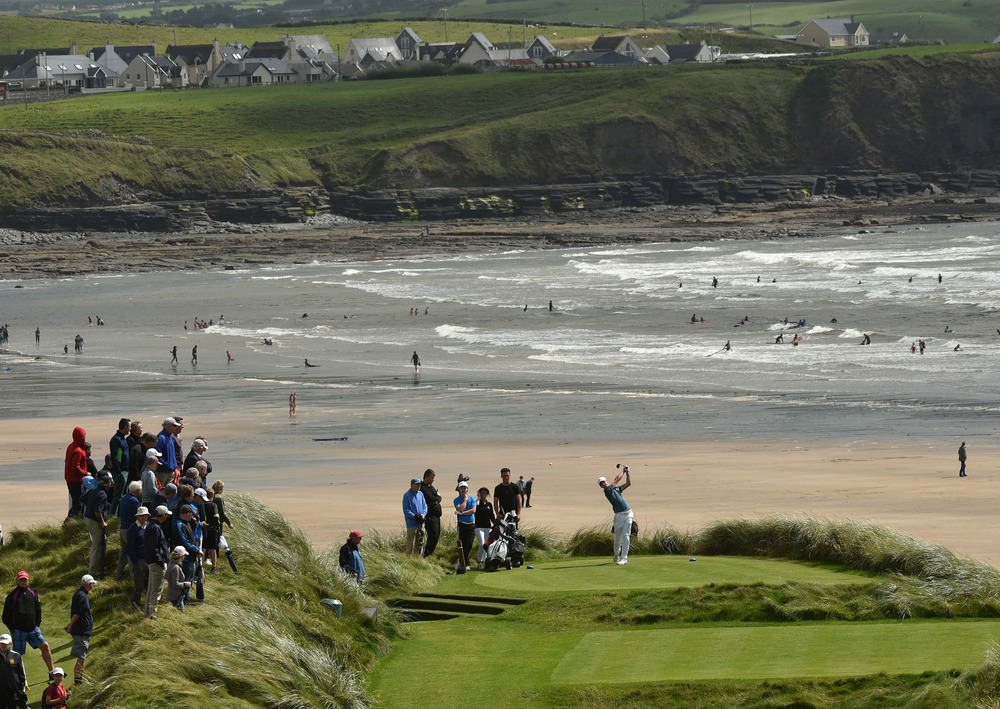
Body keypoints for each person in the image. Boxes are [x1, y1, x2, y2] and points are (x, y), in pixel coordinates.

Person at [2, 571, 54, 671]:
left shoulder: (33, 592)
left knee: (45, 646)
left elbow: (38, 609)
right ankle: (17, 678)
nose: (23, 581)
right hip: (18, 631)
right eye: (21, 579)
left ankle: (52, 672)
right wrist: (13, 629)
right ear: (17, 580)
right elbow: (5, 617)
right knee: (16, 656)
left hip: (33, 629)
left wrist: (37, 625)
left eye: (25, 579)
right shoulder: (12, 596)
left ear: (28, 580)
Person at [599, 465, 633, 565]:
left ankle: (624, 559)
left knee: (626, 536)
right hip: (618, 516)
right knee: (618, 538)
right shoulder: (607, 491)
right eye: (601, 484)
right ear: (601, 486)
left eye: (604, 481)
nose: (604, 484)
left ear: (607, 481)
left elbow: (628, 483)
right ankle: (616, 555)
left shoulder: (617, 489)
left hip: (628, 514)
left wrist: (627, 472)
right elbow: (616, 479)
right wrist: (623, 471)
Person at [65, 575, 96, 685]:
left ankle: (79, 680)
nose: (93, 585)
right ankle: (78, 681)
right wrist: (70, 625)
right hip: (81, 630)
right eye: (92, 583)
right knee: (81, 658)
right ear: (88, 584)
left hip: (82, 630)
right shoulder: (82, 595)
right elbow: (77, 613)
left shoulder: (81, 593)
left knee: (82, 658)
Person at [143, 506, 172, 619]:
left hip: (153, 562)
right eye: (166, 514)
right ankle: (152, 614)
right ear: (162, 515)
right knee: (156, 590)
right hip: (157, 563)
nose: (167, 516)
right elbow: (153, 547)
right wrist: (161, 561)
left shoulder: (152, 525)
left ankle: (147, 612)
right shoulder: (155, 527)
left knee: (151, 589)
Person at [83, 471, 112, 578]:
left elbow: (83, 499)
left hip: (89, 519)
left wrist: (90, 505)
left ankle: (97, 569)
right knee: (96, 546)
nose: (110, 485)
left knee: (98, 545)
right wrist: (102, 522)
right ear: (106, 484)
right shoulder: (102, 494)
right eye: (109, 483)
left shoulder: (94, 490)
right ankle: (93, 572)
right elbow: (97, 511)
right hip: (95, 521)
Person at [126, 506, 150, 611]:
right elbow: (129, 548)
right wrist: (135, 561)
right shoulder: (133, 528)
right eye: (143, 516)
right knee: (139, 585)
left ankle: (147, 604)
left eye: (146, 516)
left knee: (148, 583)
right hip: (139, 560)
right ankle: (136, 605)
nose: (145, 518)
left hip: (148, 559)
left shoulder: (148, 526)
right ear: (138, 517)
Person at [64, 426, 89, 521]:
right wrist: (86, 473)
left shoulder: (71, 446)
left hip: (70, 479)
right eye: (84, 435)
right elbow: (75, 467)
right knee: (78, 503)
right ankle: (70, 522)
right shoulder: (78, 450)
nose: (85, 437)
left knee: (76, 502)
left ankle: (72, 521)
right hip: (75, 480)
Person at [109, 418, 130, 516]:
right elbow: (114, 456)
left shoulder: (122, 438)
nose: (130, 428)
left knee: (124, 495)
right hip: (120, 471)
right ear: (125, 427)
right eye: (129, 426)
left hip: (125, 470)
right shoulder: (116, 439)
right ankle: (113, 516)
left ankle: (120, 515)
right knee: (118, 496)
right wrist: (118, 472)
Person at [419, 469, 443, 557]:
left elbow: (438, 498)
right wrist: (437, 497)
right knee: (433, 535)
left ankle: (428, 554)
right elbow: (431, 498)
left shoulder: (431, 487)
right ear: (427, 477)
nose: (433, 480)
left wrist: (437, 498)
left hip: (436, 515)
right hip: (430, 516)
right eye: (432, 477)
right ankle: (426, 554)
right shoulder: (422, 487)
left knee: (436, 535)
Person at [0, 633, 27, 709]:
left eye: (5, 643)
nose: (3, 645)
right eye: (1, 643)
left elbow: (22, 675)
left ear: (10, 644)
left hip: (14, 693)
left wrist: (21, 691)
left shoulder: (16, 656)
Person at [454, 481, 476, 571]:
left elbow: (473, 510)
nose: (463, 489)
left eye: (465, 488)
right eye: (462, 488)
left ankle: (462, 561)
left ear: (467, 489)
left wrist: (462, 513)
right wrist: (465, 500)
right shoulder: (456, 500)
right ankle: (465, 563)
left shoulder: (473, 499)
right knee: (462, 544)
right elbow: (460, 508)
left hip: (471, 525)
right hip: (462, 525)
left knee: (469, 544)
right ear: (459, 489)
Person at [402, 477, 427, 555]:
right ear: (412, 485)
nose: (419, 486)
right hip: (411, 524)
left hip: (420, 523)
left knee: (419, 544)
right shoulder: (407, 495)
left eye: (419, 484)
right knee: (410, 544)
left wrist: (423, 514)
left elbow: (425, 506)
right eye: (417, 484)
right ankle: (408, 561)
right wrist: (415, 516)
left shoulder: (421, 494)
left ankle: (416, 561)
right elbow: (406, 510)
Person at [473, 487, 496, 570]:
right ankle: (479, 562)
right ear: (479, 494)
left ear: (487, 494)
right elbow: (474, 512)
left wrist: (495, 524)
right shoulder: (476, 503)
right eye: (482, 493)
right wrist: (477, 501)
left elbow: (492, 516)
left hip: (488, 527)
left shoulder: (489, 504)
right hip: (479, 527)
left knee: (487, 545)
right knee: (481, 544)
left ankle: (485, 562)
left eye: (485, 493)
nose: (483, 494)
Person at [165, 547, 191, 612]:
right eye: (184, 555)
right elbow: (175, 584)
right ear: (180, 556)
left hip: (173, 596)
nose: (184, 557)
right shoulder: (175, 567)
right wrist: (186, 584)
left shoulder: (171, 563)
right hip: (176, 598)